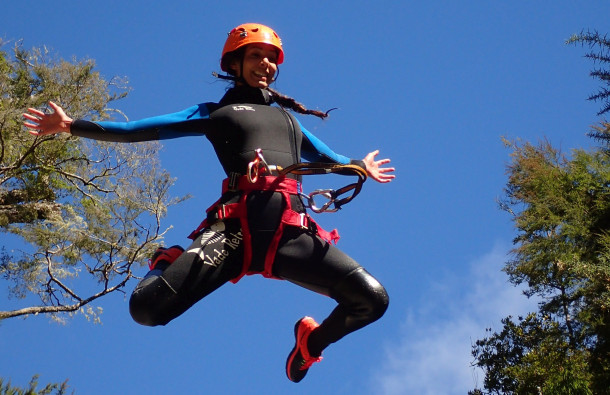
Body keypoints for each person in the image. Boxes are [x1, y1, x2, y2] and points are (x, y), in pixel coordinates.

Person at [23, 23, 395, 383]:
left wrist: (359, 166)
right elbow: (140, 130)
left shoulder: (288, 120)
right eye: (256, 55)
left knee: (371, 299)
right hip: (233, 233)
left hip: (289, 235)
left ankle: (310, 343)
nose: (266, 64)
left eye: (271, 57)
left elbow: (328, 157)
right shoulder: (216, 113)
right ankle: (164, 262)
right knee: (146, 309)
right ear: (235, 63)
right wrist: (72, 126)